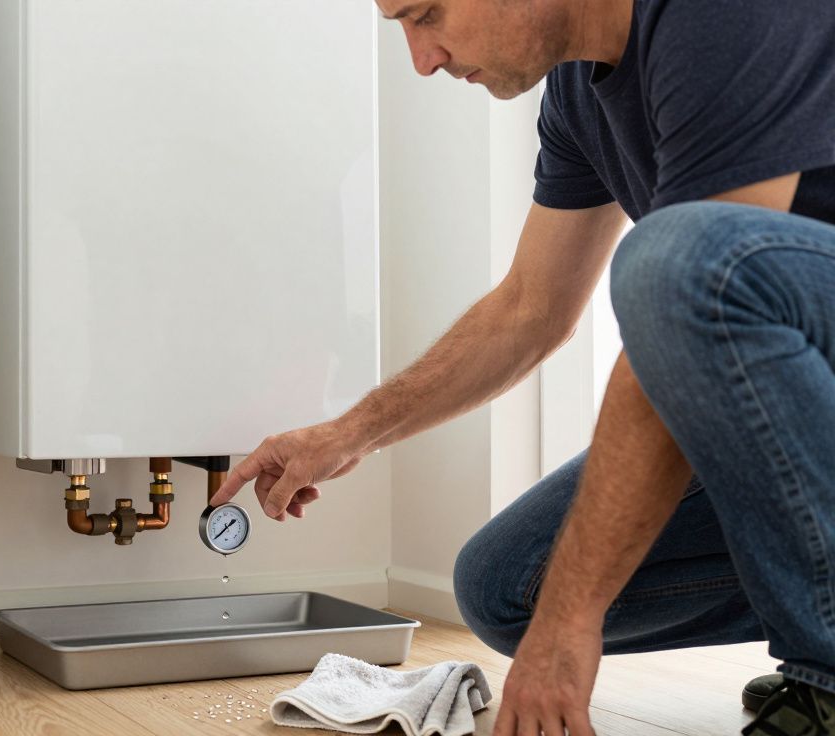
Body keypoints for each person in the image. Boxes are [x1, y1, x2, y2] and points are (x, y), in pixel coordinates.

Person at [208, 0, 835, 733]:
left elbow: (696, 287)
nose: (422, 58)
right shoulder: (577, 96)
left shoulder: (725, 16)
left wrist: (573, 626)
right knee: (508, 585)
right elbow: (530, 309)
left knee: (679, 258)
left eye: (427, 14)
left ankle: (821, 673)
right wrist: (347, 434)